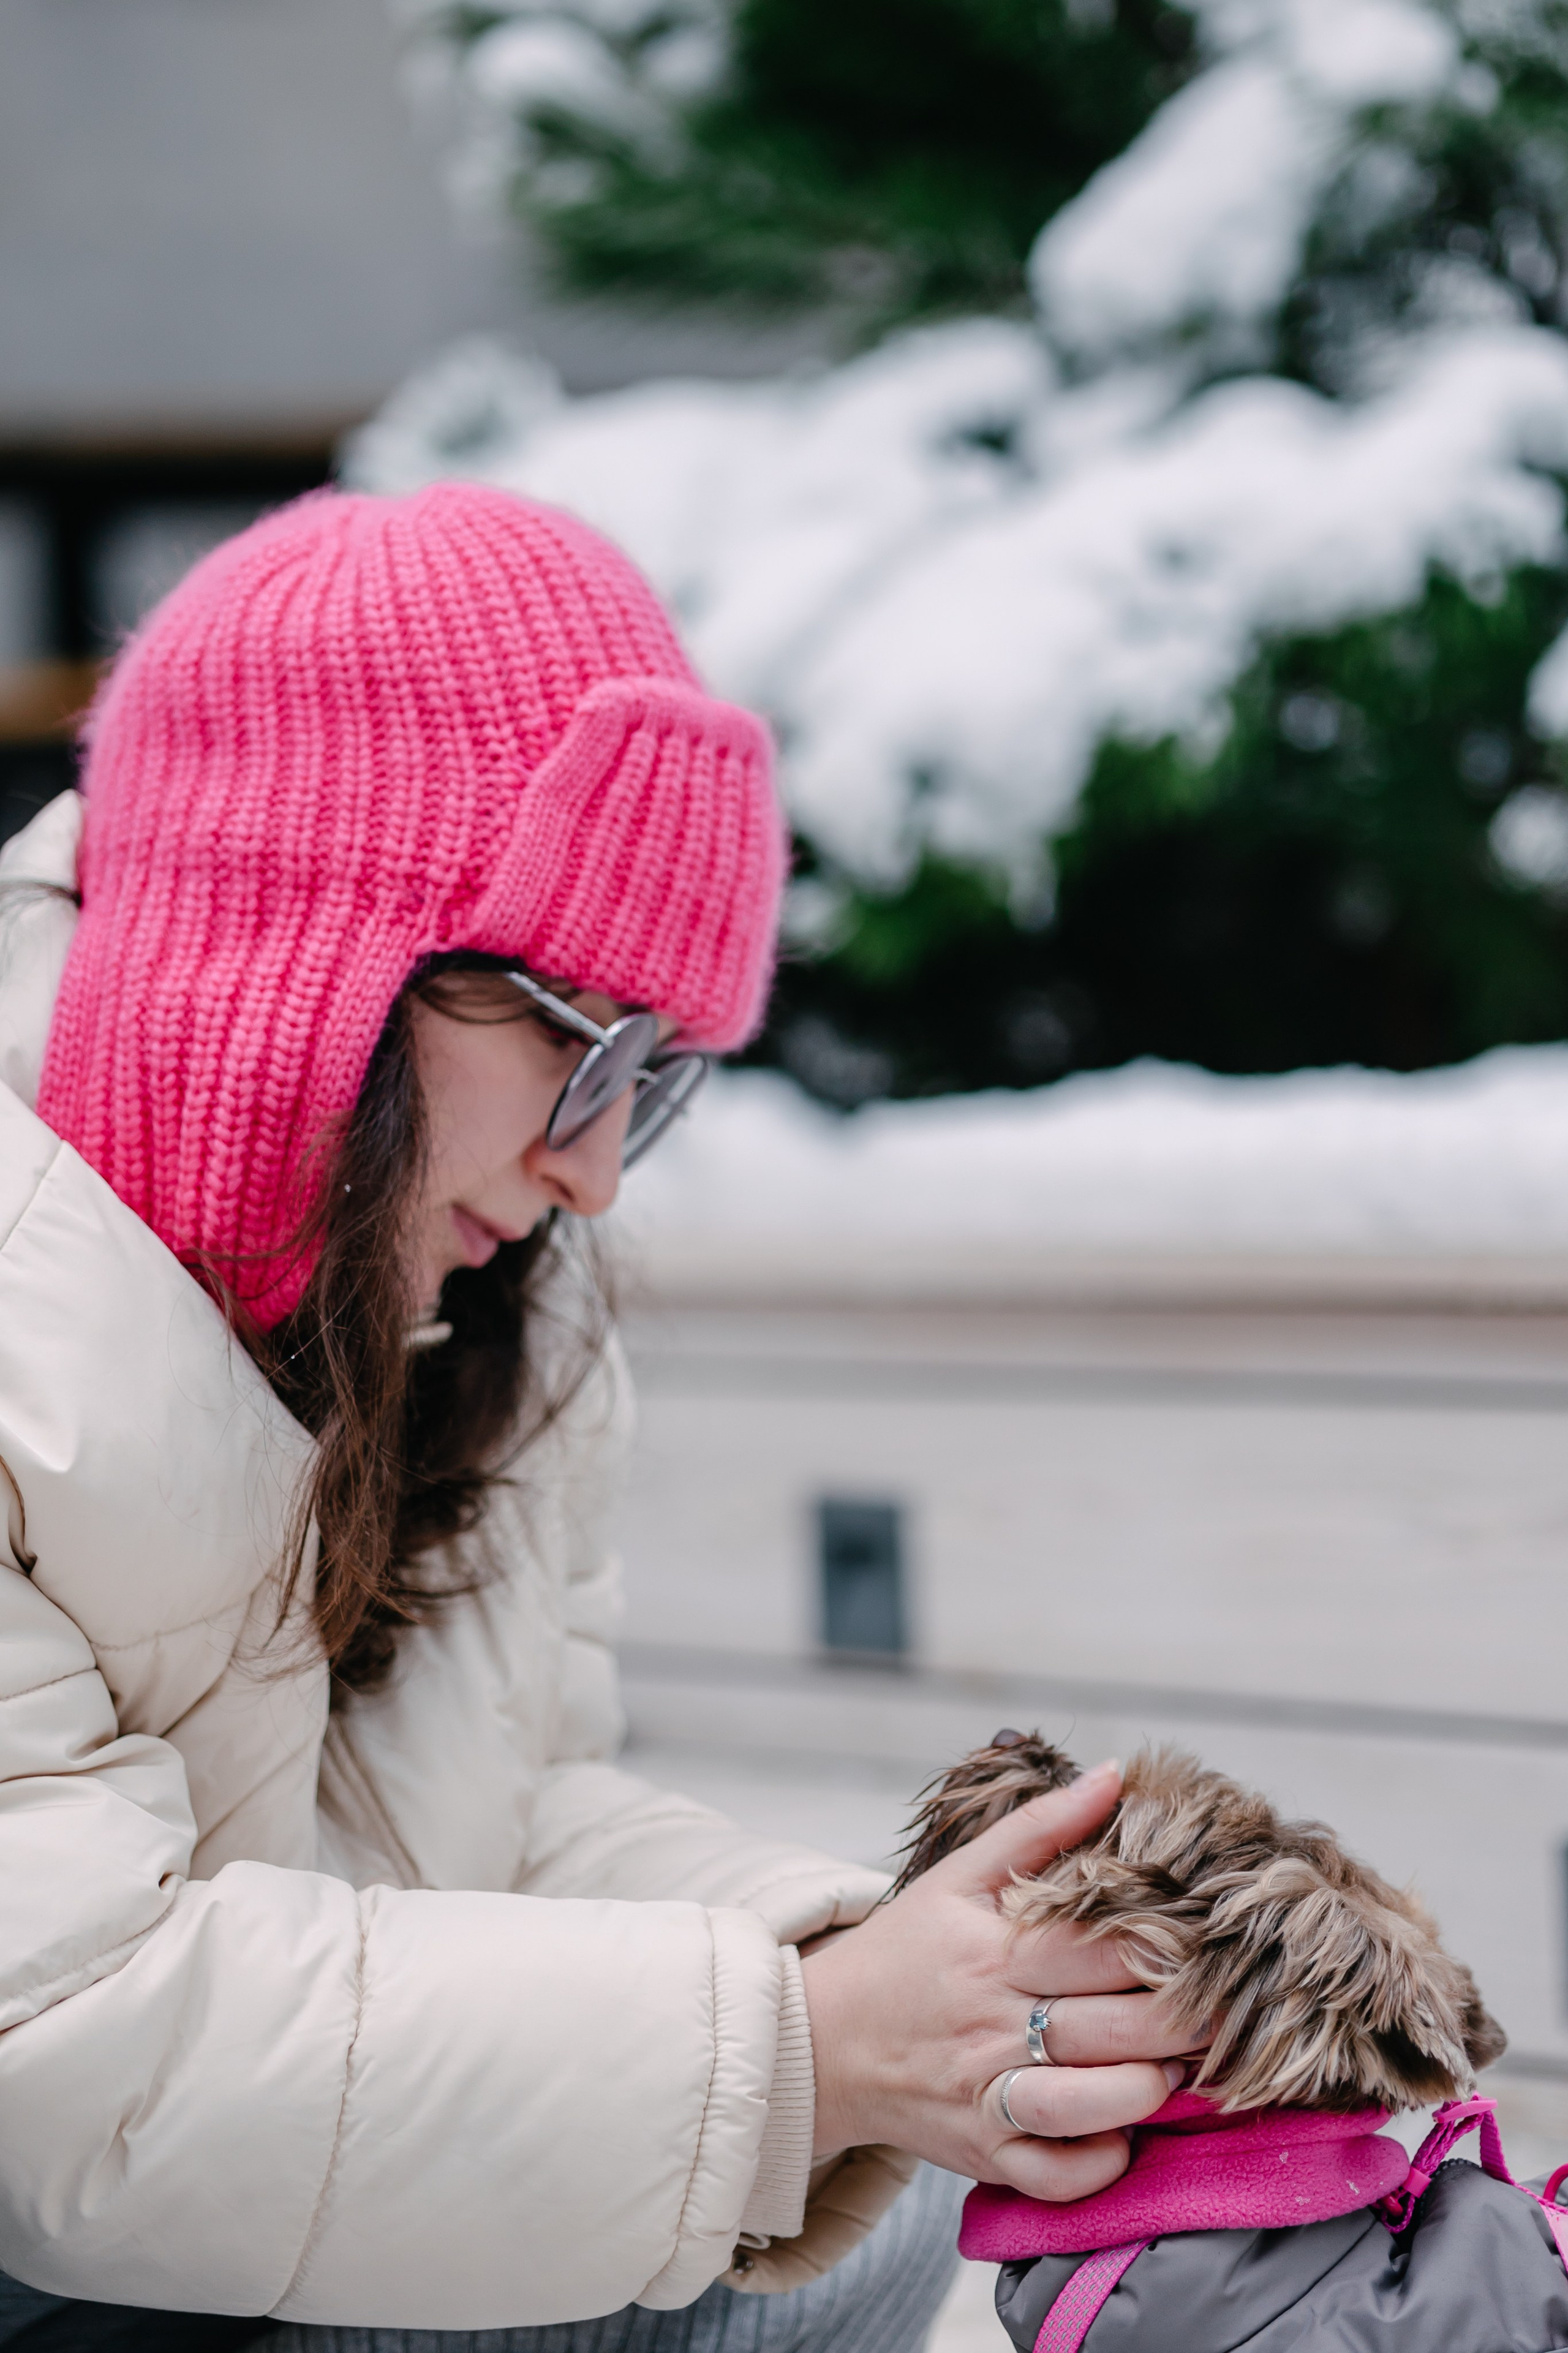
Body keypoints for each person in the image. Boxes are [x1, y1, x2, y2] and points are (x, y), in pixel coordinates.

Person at [0, 486, 1193, 2351]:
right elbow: (60, 2047)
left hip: (209, 2218)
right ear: (310, 950)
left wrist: (910, 1980)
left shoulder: (472, 1318)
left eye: (662, 1077)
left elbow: (502, 1823)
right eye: (591, 1045)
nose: (599, 1172)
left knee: (899, 2208)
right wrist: (805, 2047)